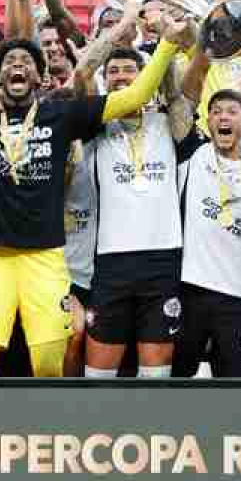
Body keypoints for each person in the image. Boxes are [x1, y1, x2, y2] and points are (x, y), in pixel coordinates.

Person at [0, 0, 184, 377]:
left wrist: (168, 45)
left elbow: (133, 98)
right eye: (9, 63)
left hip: (45, 258)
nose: (18, 66)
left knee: (49, 359)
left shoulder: (62, 114)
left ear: (39, 78)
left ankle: (40, 435)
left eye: (26, 63)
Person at [84, 40, 196, 381]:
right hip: (111, 261)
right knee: (98, 377)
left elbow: (177, 95)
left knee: (156, 376)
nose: (120, 76)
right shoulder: (96, 125)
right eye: (113, 71)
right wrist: (124, 25)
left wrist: (169, 44)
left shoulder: (168, 123)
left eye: (129, 70)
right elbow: (84, 72)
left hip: (162, 259)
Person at [174, 90, 241, 377]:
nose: (223, 117)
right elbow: (180, 100)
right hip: (190, 287)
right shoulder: (193, 153)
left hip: (239, 292)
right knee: (178, 379)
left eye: (232, 111)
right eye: (216, 111)